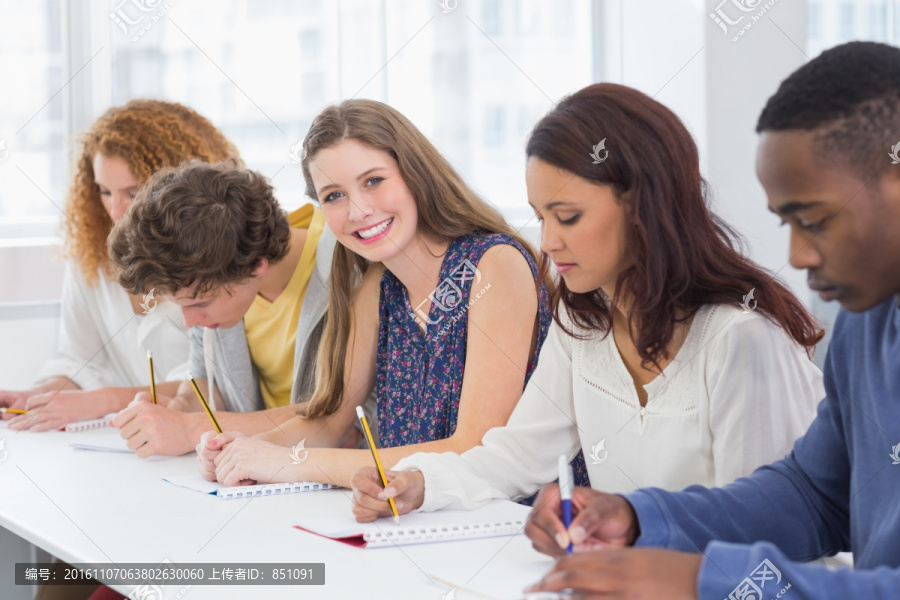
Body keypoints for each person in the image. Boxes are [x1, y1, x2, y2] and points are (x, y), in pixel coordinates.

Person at [348, 82, 826, 525]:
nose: (549, 241)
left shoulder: (742, 338)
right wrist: (419, 483)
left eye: (569, 217)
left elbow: (762, 528)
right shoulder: (584, 324)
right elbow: (517, 454)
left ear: (644, 206)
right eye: (540, 217)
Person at [521, 41, 900, 599]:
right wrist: (640, 517)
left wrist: (703, 580)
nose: (796, 256)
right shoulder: (865, 325)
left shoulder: (743, 333)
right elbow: (814, 494)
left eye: (814, 222)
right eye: (785, 225)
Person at [197, 98, 570, 490]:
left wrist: (294, 463)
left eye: (373, 181)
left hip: (511, 520)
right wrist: (242, 449)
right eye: (334, 196)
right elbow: (329, 421)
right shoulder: (378, 287)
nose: (358, 210)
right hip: (413, 516)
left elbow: (473, 449)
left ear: (414, 174)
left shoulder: (494, 266)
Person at [1, 100, 239, 433]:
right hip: (141, 443)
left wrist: (105, 400)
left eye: (132, 192)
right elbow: (78, 359)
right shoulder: (89, 257)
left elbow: (215, 384)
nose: (116, 211)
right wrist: (39, 396)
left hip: (203, 440)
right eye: (104, 191)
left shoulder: (218, 259)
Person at [105, 160, 340, 457]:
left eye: (200, 304)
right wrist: (180, 408)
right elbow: (204, 382)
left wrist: (193, 427)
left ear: (256, 266)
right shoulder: (217, 282)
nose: (191, 322)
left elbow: (342, 420)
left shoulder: (344, 264)